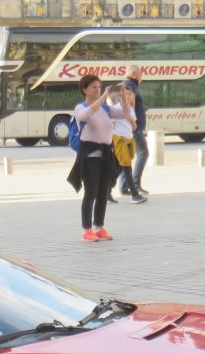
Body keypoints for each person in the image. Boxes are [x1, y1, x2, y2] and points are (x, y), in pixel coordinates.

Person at [66, 75, 133, 242]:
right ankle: (86, 229)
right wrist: (103, 98)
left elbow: (125, 113)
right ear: (85, 90)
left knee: (103, 192)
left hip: (105, 154)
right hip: (90, 156)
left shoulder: (105, 109)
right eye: (94, 87)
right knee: (91, 192)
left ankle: (99, 226)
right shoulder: (80, 107)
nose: (97, 89)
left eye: (99, 86)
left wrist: (123, 97)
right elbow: (85, 116)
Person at [110, 82, 146, 205]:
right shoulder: (115, 109)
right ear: (120, 96)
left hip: (129, 140)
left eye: (130, 94)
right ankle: (135, 194)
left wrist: (131, 120)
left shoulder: (130, 109)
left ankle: (105, 192)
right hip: (119, 140)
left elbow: (134, 127)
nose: (129, 97)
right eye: (126, 95)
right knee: (126, 166)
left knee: (118, 168)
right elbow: (111, 124)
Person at [123, 66, 149, 196]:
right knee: (143, 153)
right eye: (140, 74)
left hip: (129, 128)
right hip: (135, 128)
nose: (142, 77)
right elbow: (126, 99)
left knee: (126, 157)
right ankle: (135, 184)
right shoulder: (129, 85)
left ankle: (124, 186)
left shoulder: (126, 84)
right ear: (134, 74)